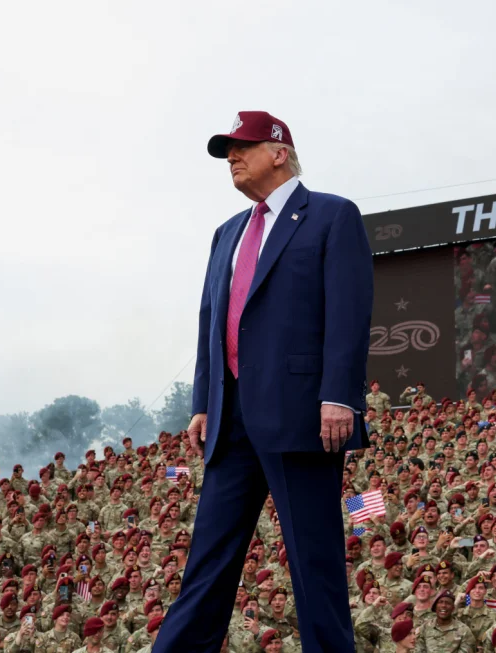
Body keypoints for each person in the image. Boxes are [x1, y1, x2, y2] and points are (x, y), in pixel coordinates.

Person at [154, 111, 374, 653]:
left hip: (302, 415)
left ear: (279, 151)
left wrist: (339, 396)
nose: (232, 156)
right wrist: (202, 401)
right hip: (230, 420)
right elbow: (213, 318)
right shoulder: (227, 232)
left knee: (313, 564)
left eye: (243, 147)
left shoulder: (330, 215)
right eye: (228, 150)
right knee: (207, 561)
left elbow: (349, 312)